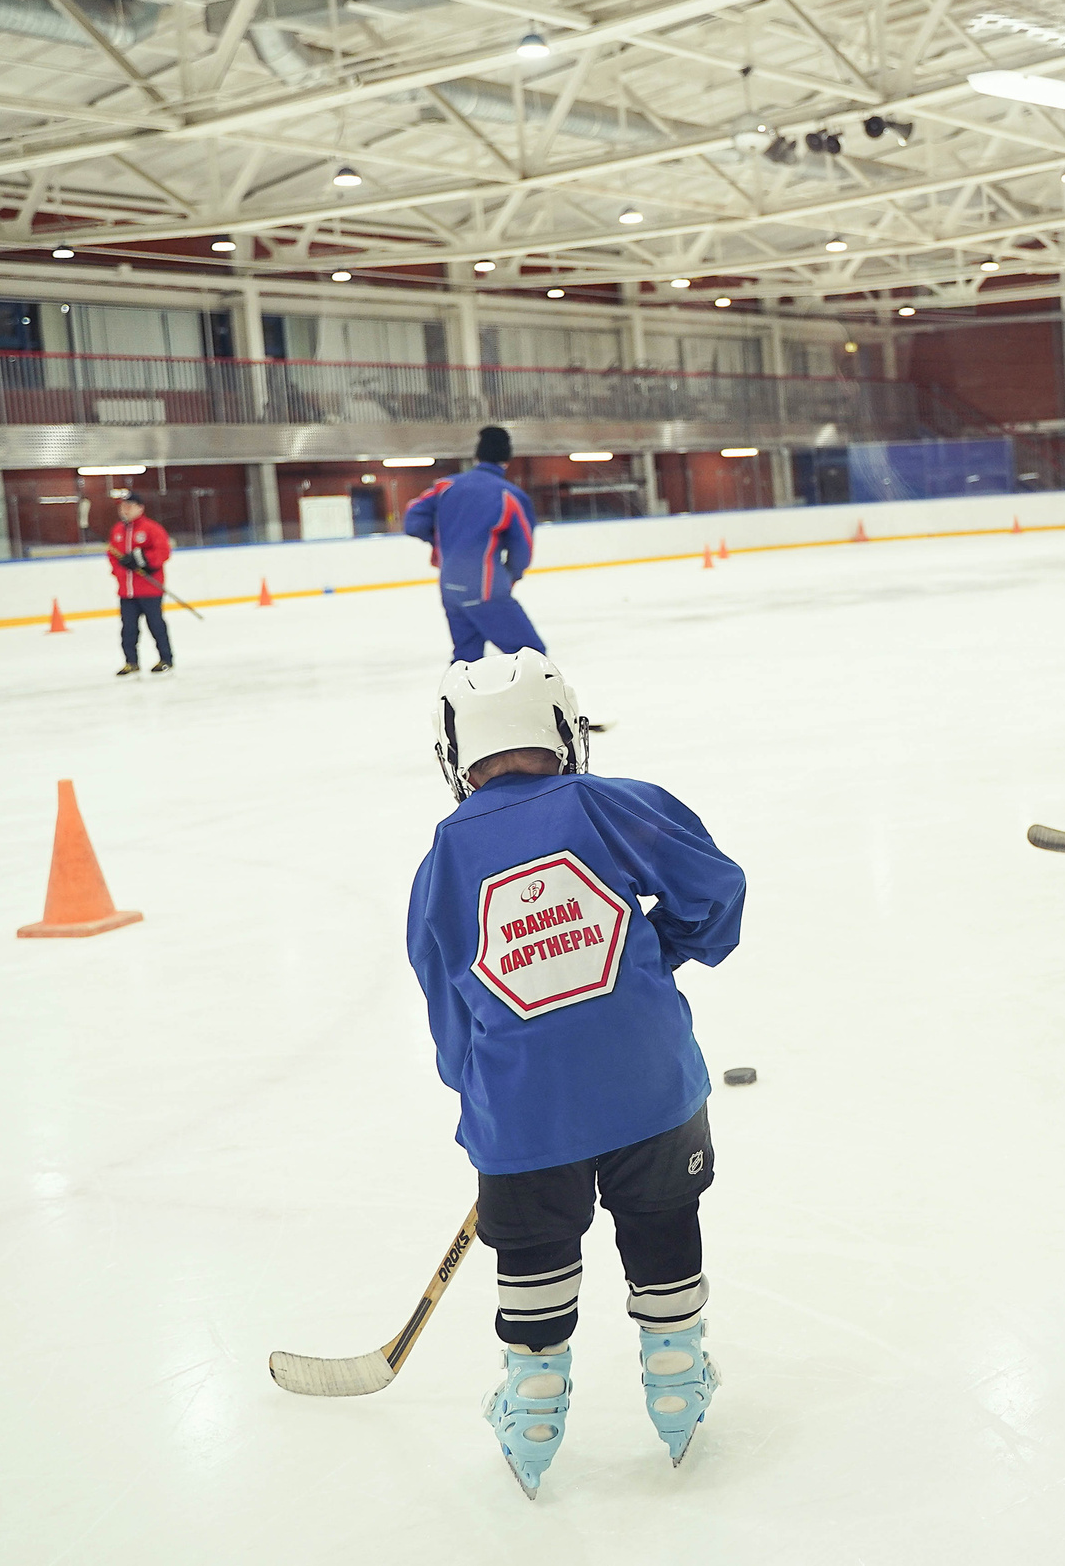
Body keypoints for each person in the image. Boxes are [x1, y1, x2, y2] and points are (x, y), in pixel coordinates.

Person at [407, 649, 747, 1497]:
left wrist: (485, 1101)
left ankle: (533, 1404)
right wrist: (659, 951)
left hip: (525, 1120)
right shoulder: (606, 805)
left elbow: (449, 1016)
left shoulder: (441, 863)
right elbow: (717, 889)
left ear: (457, 754)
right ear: (564, 728)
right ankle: (675, 1378)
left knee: (534, 1251)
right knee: (663, 1226)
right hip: (653, 1090)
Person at [405, 426, 545, 661]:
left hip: (450, 588)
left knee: (466, 661)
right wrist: (512, 575)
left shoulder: (445, 487)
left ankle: (457, 699)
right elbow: (523, 547)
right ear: (507, 460)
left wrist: (442, 542)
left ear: (476, 456)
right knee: (531, 657)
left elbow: (412, 520)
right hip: (486, 588)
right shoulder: (509, 495)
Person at [106, 491, 174, 677]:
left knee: (156, 625)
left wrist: (143, 560)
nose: (124, 510)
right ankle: (131, 662)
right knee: (128, 629)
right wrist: (121, 569)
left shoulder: (151, 529)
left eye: (129, 506)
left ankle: (166, 659)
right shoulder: (118, 531)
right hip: (127, 592)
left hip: (150, 589)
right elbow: (112, 554)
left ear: (140, 508)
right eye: (122, 506)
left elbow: (163, 552)